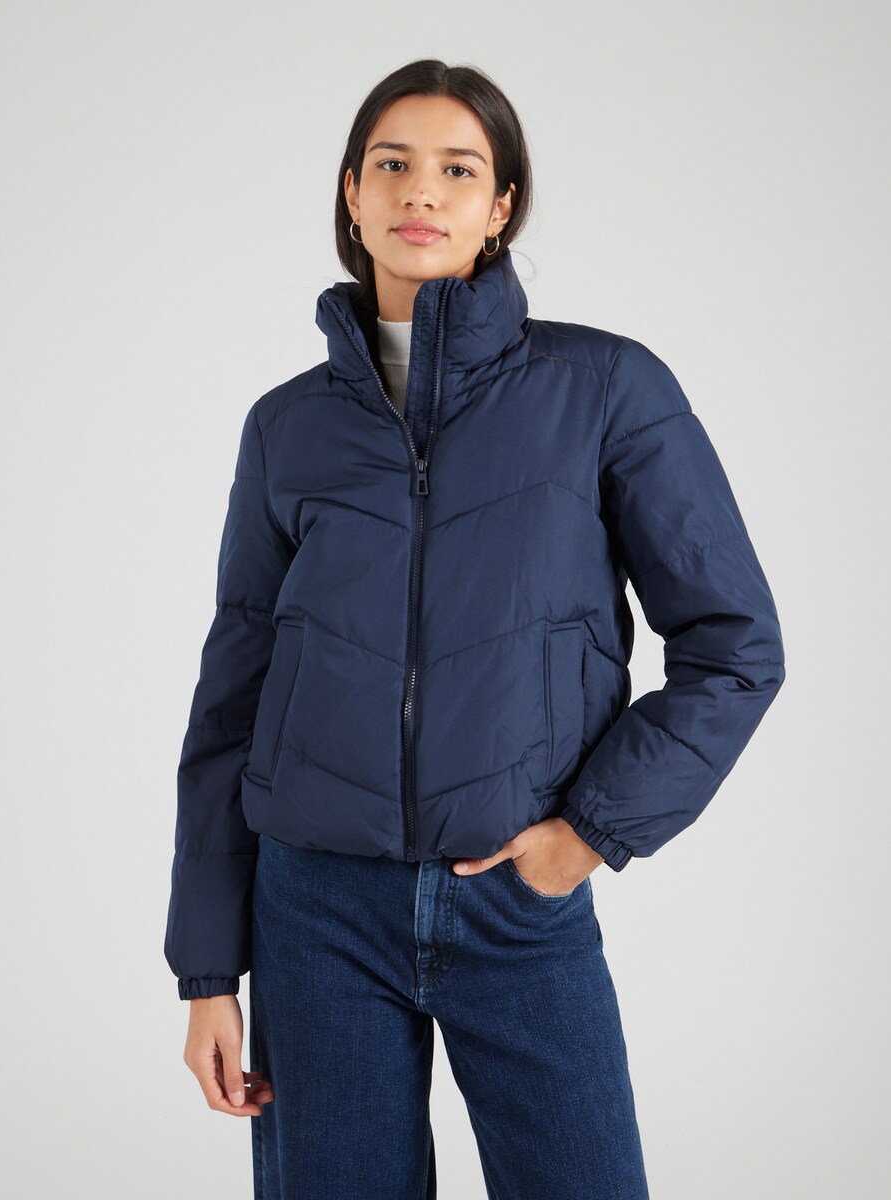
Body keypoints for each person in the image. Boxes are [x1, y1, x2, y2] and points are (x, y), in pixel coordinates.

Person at [164, 58, 785, 1200]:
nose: (422, 190)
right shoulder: (286, 428)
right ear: (352, 194)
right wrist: (208, 969)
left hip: (517, 896)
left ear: (501, 207)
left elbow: (735, 645)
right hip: (314, 912)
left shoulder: (605, 389)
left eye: (459, 169)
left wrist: (587, 832)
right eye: (393, 163)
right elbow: (234, 699)